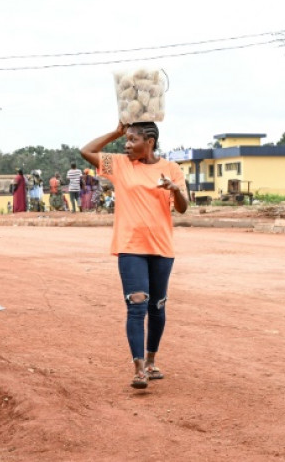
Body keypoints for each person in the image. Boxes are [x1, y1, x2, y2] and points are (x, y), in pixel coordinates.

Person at [81, 121, 188, 389]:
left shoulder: (171, 169)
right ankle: (139, 368)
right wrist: (116, 132)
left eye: (131, 140)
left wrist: (174, 189)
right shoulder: (119, 164)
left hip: (161, 248)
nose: (127, 145)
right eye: (125, 140)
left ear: (149, 142)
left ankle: (152, 361)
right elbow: (86, 150)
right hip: (130, 247)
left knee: (157, 306)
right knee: (137, 304)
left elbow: (183, 208)